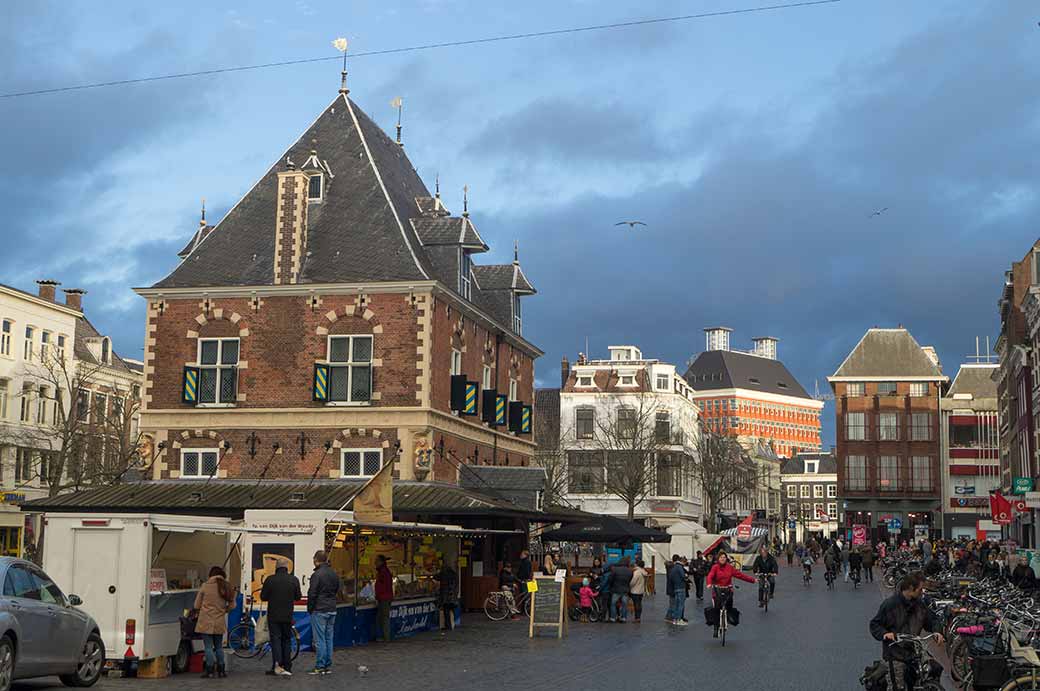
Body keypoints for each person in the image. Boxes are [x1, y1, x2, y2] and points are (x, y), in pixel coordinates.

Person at [869, 572, 944, 690]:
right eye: (920, 589)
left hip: (915, 650)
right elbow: (875, 624)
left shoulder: (920, 604)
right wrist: (885, 634)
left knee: (934, 668)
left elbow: (932, 620)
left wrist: (937, 631)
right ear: (910, 588)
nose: (922, 592)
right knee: (898, 685)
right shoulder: (890, 605)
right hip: (895, 653)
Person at [260, 560, 302, 677]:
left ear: (276, 567)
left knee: (276, 641)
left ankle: (277, 666)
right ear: (287, 568)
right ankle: (288, 667)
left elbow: (263, 597)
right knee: (286, 640)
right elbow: (298, 596)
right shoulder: (294, 580)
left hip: (273, 616)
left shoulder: (270, 580)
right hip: (288, 615)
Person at [194, 566, 234, 679]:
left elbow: (196, 605)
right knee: (219, 647)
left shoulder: (205, 586)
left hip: (206, 620)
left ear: (210, 575)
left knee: (208, 647)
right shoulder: (226, 586)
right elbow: (233, 605)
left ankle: (210, 671)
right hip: (219, 621)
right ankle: (221, 670)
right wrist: (225, 610)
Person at [307, 550, 341, 675]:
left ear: (316, 560)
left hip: (320, 609)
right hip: (332, 608)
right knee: (328, 638)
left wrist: (310, 608)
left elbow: (312, 594)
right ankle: (327, 665)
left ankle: (320, 666)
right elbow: (337, 588)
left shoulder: (317, 575)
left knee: (320, 639)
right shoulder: (333, 573)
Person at [705, 552, 755, 637]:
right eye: (721, 557)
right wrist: (709, 583)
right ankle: (716, 628)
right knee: (717, 608)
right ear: (718, 559)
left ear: (726, 559)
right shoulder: (715, 567)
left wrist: (752, 580)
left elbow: (740, 575)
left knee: (729, 605)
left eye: (724, 557)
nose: (723, 559)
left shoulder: (729, 567)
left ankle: (728, 618)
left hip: (728, 589)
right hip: (717, 590)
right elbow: (710, 575)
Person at [375, 555, 394, 642]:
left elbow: (382, 586)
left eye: (377, 561)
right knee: (382, 618)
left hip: (384, 598)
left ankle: (386, 637)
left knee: (384, 618)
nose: (375, 563)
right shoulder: (384, 571)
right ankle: (384, 636)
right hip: (384, 597)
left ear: (381, 562)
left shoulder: (383, 572)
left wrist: (378, 595)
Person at [435, 560, 458, 631]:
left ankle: (448, 626)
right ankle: (452, 624)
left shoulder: (443, 573)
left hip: (445, 596)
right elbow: (456, 584)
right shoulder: (454, 574)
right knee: (451, 611)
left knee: (446, 611)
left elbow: (436, 577)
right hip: (452, 596)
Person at [665, 555, 687, 626]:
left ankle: (674, 619)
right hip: (679, 587)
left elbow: (671, 577)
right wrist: (686, 577)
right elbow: (683, 576)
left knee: (675, 604)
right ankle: (678, 619)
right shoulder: (678, 567)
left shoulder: (672, 568)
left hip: (674, 588)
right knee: (679, 605)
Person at [609, 557, 633, 623]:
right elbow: (630, 579)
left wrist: (611, 586)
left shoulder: (614, 569)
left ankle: (613, 618)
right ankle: (623, 618)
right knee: (624, 605)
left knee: (613, 604)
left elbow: (610, 579)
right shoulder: (630, 570)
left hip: (616, 589)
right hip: (625, 590)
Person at [629, 559, 647, 623]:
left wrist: (629, 585)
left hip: (635, 591)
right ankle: (638, 617)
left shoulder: (637, 572)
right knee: (639, 604)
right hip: (641, 591)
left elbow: (633, 582)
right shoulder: (644, 572)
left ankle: (637, 618)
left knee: (636, 605)